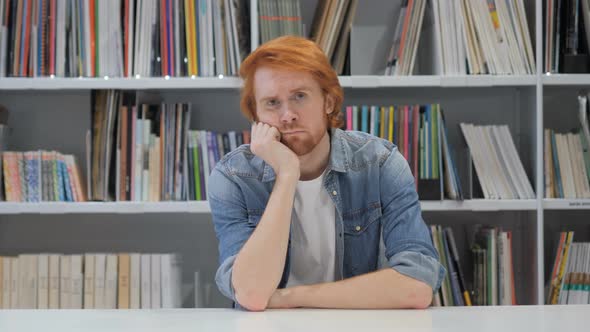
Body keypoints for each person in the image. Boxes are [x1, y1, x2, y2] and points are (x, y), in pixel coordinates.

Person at [208, 36, 445, 311]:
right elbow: (251, 293)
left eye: (299, 96)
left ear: (329, 101)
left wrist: (291, 298)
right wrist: (286, 175)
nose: (287, 116)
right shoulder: (233, 176)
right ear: (256, 115)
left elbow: (417, 285)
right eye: (272, 103)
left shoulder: (379, 163)